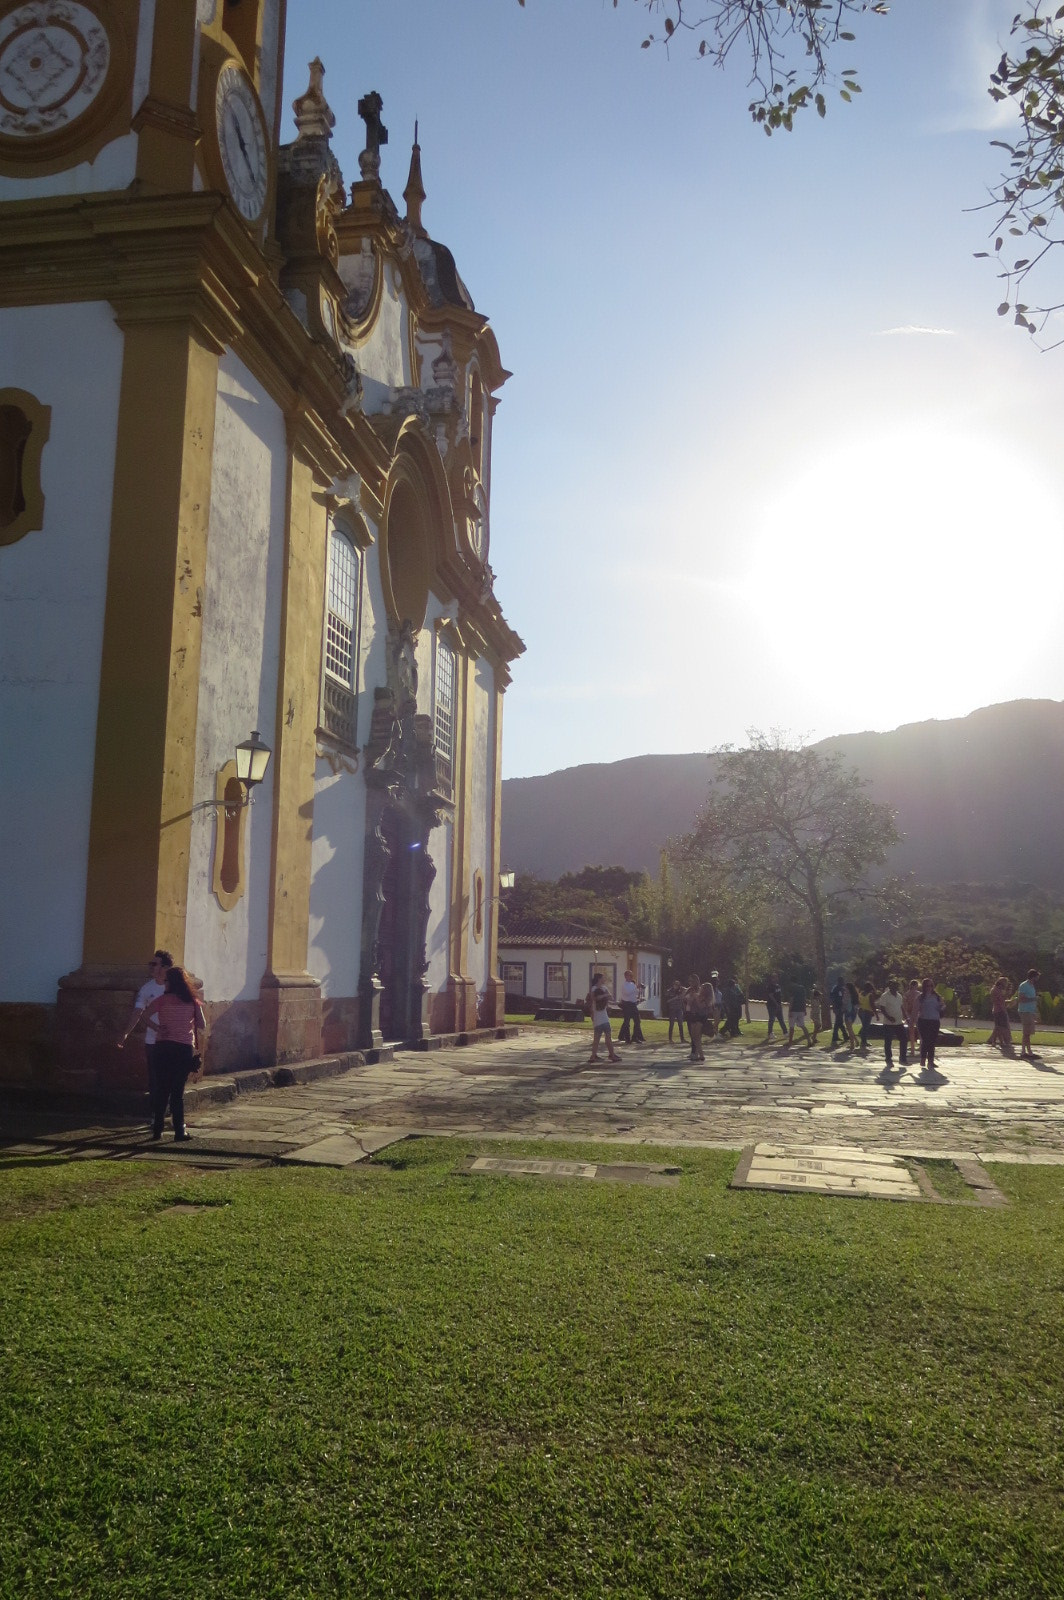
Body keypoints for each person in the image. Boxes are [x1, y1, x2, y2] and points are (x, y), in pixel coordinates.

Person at [141, 965, 205, 1142]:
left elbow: (145, 1015)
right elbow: (202, 1024)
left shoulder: (162, 1000)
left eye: (167, 980)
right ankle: (179, 1130)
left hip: (162, 1047)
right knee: (177, 1092)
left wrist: (158, 1028)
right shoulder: (193, 1001)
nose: (165, 983)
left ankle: (157, 1130)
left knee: (162, 1089)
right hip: (182, 1049)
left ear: (172, 982)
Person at [117, 950, 173, 1103]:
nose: (151, 967)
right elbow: (138, 1012)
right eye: (151, 964)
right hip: (153, 1040)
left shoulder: (175, 988)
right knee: (154, 1077)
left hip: (172, 1039)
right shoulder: (146, 989)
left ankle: (170, 1110)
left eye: (155, 964)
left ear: (165, 967)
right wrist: (126, 1033)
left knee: (170, 1076)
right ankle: (156, 1113)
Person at [876, 977, 909, 1070]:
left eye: (895, 986)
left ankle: (902, 1058)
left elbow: (901, 1007)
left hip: (899, 1022)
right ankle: (888, 1059)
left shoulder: (899, 996)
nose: (893, 987)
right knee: (888, 1041)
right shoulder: (885, 996)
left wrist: (906, 1017)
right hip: (888, 1023)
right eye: (891, 986)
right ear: (889, 987)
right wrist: (888, 1017)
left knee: (904, 1039)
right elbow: (882, 1008)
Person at [587, 972, 620, 1064]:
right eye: (602, 978)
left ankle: (611, 1054)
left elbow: (610, 997)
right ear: (598, 979)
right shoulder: (593, 988)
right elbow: (595, 998)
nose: (604, 979)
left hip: (604, 1015)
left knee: (608, 1036)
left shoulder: (604, 988)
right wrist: (604, 995)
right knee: (597, 1038)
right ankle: (593, 1056)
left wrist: (612, 1000)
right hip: (597, 1016)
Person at [917, 977, 946, 1072]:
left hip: (934, 1020)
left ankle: (931, 1061)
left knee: (932, 1041)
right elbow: (915, 1009)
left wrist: (942, 1007)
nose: (929, 987)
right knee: (925, 1040)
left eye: (931, 985)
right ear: (924, 987)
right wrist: (911, 1019)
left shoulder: (937, 996)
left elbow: (942, 1006)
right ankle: (922, 1059)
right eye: (927, 986)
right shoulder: (921, 997)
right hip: (923, 1020)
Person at [1015, 967, 1040, 1061]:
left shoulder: (1032, 986)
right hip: (1025, 1011)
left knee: (1028, 1032)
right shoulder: (1024, 985)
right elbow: (1021, 998)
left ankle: (1026, 1051)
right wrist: (1033, 999)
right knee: (1026, 1032)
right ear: (1033, 976)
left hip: (1031, 1011)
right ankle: (1025, 1051)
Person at [617, 970, 645, 1045]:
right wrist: (636, 987)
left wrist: (639, 994)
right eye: (630, 975)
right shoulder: (624, 984)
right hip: (626, 1004)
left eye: (632, 975)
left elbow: (634, 993)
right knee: (627, 1022)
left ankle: (635, 1037)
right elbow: (627, 992)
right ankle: (627, 1038)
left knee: (637, 1021)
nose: (631, 977)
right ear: (626, 976)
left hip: (633, 1004)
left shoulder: (632, 984)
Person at [684, 973, 706, 1063]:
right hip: (689, 1013)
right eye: (689, 981)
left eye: (691, 981)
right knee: (692, 1034)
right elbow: (684, 999)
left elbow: (701, 1003)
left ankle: (697, 1053)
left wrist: (694, 998)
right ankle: (694, 1051)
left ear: (695, 981)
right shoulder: (689, 990)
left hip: (696, 1014)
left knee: (696, 1035)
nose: (690, 982)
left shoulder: (700, 990)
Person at [987, 976, 1013, 1051]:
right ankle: (995, 1040)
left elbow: (1001, 1000)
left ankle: (996, 1041)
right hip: (1000, 1010)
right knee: (1001, 1027)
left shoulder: (996, 990)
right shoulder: (996, 990)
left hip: (997, 1009)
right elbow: (999, 1001)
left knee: (998, 1026)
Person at [787, 980, 813, 1047]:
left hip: (794, 1010)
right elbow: (804, 999)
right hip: (801, 1010)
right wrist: (804, 1009)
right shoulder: (802, 989)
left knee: (791, 1026)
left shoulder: (793, 989)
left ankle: (790, 1042)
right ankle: (809, 1040)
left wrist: (789, 1010)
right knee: (802, 1026)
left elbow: (791, 1000)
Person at [902, 979, 921, 1059]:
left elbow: (905, 1006)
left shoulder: (907, 994)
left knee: (912, 1031)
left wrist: (906, 1015)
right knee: (918, 1031)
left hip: (912, 1014)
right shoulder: (918, 994)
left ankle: (913, 1049)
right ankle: (917, 1047)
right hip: (915, 1014)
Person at [765, 973, 786, 1041]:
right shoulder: (770, 986)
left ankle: (785, 1032)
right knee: (772, 1019)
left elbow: (779, 996)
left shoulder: (778, 986)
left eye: (777, 977)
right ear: (772, 979)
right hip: (771, 1005)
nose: (776, 979)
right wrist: (776, 1003)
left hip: (779, 1005)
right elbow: (771, 996)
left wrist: (780, 1003)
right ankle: (770, 1033)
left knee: (781, 1020)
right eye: (775, 977)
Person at [857, 980, 877, 1051]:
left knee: (864, 1027)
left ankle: (864, 1041)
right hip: (867, 1012)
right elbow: (872, 1005)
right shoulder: (870, 995)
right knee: (865, 1027)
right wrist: (876, 1014)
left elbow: (859, 1002)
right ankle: (863, 1042)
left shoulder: (861, 993)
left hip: (861, 1011)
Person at [665, 979, 686, 1045]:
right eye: (675, 984)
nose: (676, 986)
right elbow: (667, 1001)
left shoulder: (680, 991)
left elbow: (686, 991)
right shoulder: (669, 991)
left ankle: (682, 1039)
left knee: (680, 1024)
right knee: (671, 1024)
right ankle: (670, 1039)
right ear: (673, 984)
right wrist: (675, 998)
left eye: (678, 985)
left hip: (679, 1009)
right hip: (672, 1009)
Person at [829, 976, 848, 1047]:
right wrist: (835, 1007)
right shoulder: (836, 989)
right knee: (838, 1022)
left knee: (839, 1022)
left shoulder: (841, 989)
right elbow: (833, 998)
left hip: (840, 1007)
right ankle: (836, 1037)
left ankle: (843, 1035)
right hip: (838, 1007)